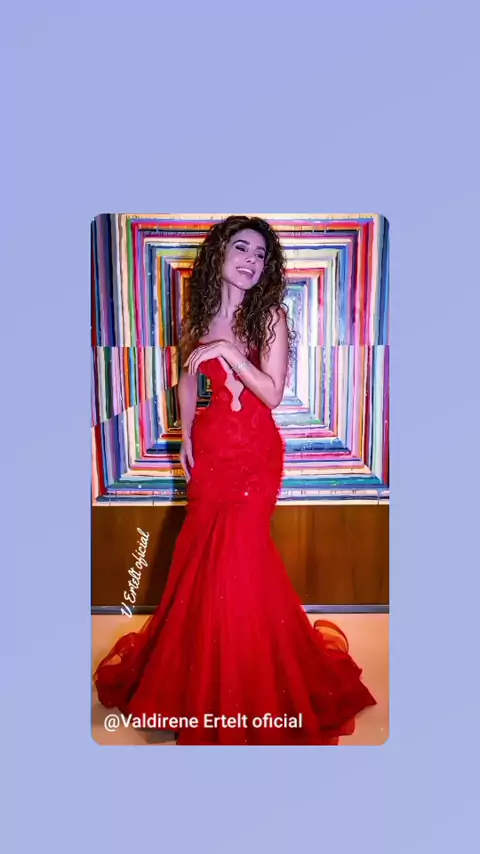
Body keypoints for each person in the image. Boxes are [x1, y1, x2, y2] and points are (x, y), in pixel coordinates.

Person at [93, 215, 376, 744]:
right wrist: (186, 434)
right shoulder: (198, 317)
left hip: (253, 457)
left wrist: (227, 353)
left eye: (261, 254)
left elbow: (272, 393)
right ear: (219, 254)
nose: (252, 260)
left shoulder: (269, 316)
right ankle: (200, 684)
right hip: (211, 453)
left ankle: (251, 687)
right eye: (241, 248)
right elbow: (187, 380)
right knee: (200, 560)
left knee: (240, 563)